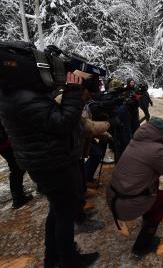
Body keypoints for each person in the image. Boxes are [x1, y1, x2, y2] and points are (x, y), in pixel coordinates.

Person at [0, 71, 99, 267]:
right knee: (64, 215)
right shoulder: (23, 97)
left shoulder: (14, 94)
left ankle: (53, 256)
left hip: (45, 161)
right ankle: (69, 260)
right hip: (50, 164)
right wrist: (73, 92)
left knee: (57, 211)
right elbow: (62, 123)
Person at [106, 117, 163, 258]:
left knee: (154, 187)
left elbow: (155, 157)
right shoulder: (155, 151)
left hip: (114, 197)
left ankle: (146, 213)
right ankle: (142, 245)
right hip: (127, 204)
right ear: (161, 133)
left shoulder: (136, 141)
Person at [0, 122, 32, 209]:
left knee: (18, 166)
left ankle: (18, 196)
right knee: (17, 168)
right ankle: (18, 198)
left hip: (5, 143)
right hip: (6, 144)